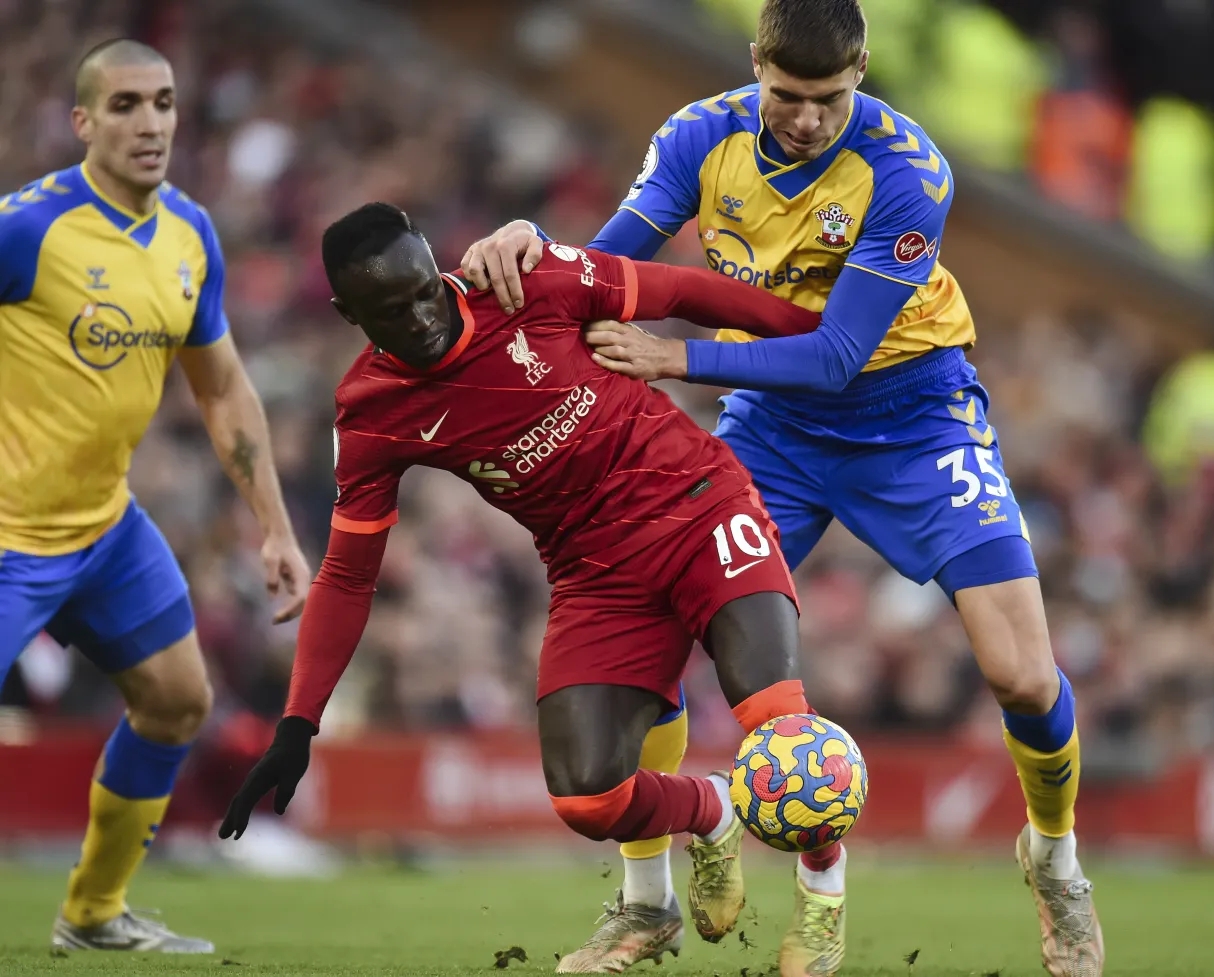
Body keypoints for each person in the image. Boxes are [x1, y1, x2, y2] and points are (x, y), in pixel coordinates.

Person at [460, 1, 1103, 975]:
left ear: (861, 74)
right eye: (786, 95)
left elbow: (840, 353)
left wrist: (675, 360)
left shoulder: (905, 169)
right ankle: (645, 904)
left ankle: (1054, 860)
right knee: (652, 644)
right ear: (754, 67)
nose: (805, 117)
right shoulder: (696, 136)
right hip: (773, 429)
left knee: (1018, 670)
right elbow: (608, 263)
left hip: (913, 413)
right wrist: (533, 247)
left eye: (828, 98)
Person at [217, 203, 846, 977]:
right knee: (588, 797)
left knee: (779, 723)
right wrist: (298, 721)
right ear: (348, 314)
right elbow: (348, 573)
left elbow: (682, 290)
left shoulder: (524, 282)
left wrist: (823, 337)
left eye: (425, 290)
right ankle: (713, 811)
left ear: (434, 261)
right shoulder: (372, 411)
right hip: (593, 571)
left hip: (697, 505)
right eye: (391, 311)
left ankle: (822, 897)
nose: (423, 318)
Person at [0, 40, 311, 953]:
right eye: (127, 105)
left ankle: (94, 911)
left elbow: (220, 389)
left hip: (104, 528)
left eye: (165, 103)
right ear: (83, 122)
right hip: (9, 537)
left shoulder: (189, 234)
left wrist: (276, 530)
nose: (151, 123)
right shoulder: (29, 228)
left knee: (177, 700)